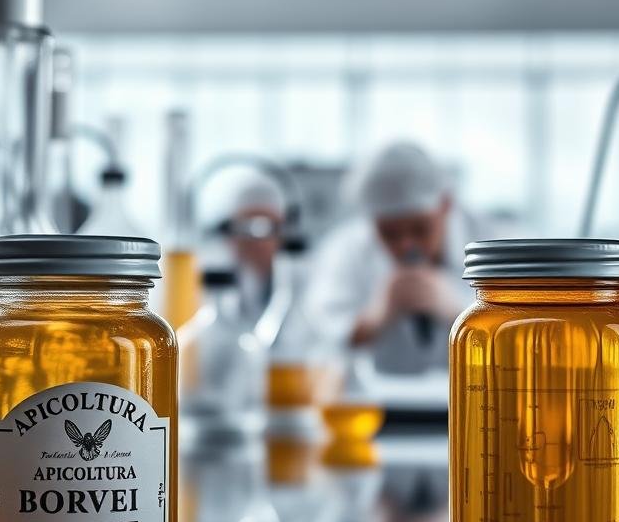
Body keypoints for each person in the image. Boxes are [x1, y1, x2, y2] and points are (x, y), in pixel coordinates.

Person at [306, 142, 479, 375]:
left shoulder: (491, 241)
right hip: (376, 396)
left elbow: (516, 335)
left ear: (446, 205)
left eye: (420, 228)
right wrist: (375, 317)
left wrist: (460, 312)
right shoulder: (343, 251)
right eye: (389, 233)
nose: (406, 244)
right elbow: (320, 338)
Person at [196, 161, 286, 325]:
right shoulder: (207, 276)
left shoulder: (301, 282)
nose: (255, 240)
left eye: (264, 227)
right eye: (245, 227)